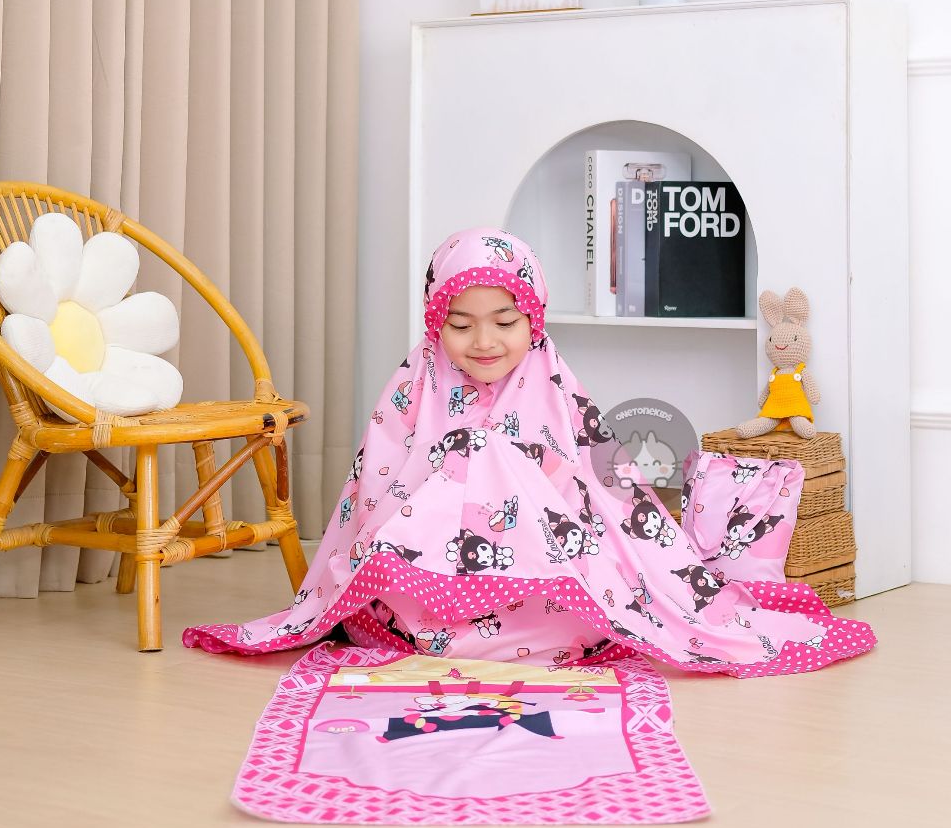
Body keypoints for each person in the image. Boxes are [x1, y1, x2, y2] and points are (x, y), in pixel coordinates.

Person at [183, 228, 875, 677]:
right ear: (436, 322)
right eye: (461, 325)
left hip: (542, 560)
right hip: (426, 561)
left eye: (504, 322)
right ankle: (438, 624)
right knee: (458, 470)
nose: (483, 342)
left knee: (517, 477)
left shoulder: (553, 382)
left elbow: (606, 479)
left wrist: (514, 473)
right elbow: (378, 478)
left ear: (533, 319)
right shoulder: (416, 382)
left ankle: (530, 627)